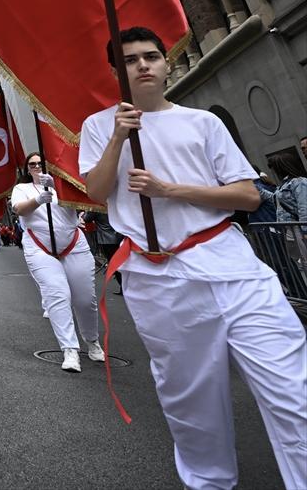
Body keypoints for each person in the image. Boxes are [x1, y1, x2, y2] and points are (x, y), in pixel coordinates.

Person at [81, 26, 307, 490]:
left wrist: (170, 190)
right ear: (114, 72)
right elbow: (96, 192)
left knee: (293, 390)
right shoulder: (99, 126)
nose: (143, 65)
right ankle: (209, 483)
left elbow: (247, 196)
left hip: (233, 267)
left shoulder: (202, 122)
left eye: (151, 56)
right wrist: (119, 139)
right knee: (192, 406)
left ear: (166, 64)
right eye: (129, 60)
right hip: (158, 279)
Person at [11, 153, 102, 373]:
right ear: (27, 169)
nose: (36, 167)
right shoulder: (21, 189)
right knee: (58, 294)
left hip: (73, 244)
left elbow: (87, 199)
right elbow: (18, 209)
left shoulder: (64, 184)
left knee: (84, 299)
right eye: (32, 165)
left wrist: (59, 189)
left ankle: (92, 340)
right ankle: (70, 349)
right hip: (39, 247)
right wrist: (38, 200)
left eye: (40, 164)